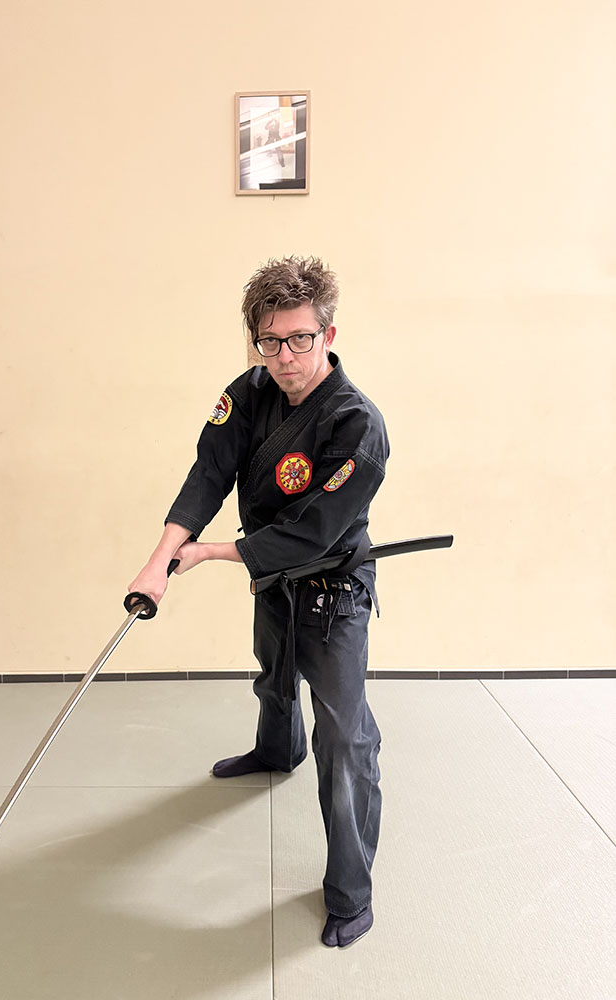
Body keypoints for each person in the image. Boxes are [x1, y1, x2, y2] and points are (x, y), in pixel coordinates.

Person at [128, 256, 389, 949]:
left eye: (300, 338)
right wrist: (159, 560)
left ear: (329, 334)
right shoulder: (247, 394)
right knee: (272, 676)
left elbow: (314, 530)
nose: (285, 357)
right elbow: (209, 472)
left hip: (333, 587)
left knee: (345, 737)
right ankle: (277, 751)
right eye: (269, 341)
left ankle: (352, 893)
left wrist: (212, 553)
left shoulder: (358, 423)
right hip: (273, 579)